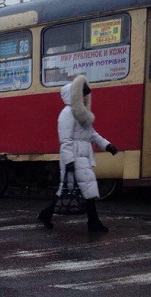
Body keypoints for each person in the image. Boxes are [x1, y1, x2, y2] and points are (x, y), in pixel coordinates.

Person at [37, 76, 118, 232]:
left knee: (72, 189)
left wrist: (107, 145)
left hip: (82, 156)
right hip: (74, 155)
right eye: (83, 94)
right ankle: (93, 223)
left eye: (87, 94)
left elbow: (92, 134)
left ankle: (46, 215)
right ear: (75, 96)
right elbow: (65, 140)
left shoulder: (81, 113)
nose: (86, 97)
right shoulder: (67, 113)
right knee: (84, 189)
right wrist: (69, 161)